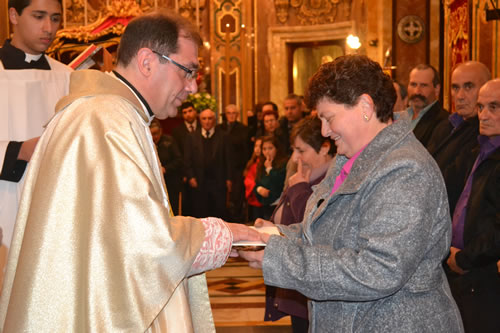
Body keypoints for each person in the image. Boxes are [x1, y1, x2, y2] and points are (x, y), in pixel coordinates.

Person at [0, 12, 259, 332]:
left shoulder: (106, 112)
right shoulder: (109, 121)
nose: (192, 87)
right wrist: (223, 235)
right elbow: (143, 246)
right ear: (148, 61)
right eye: (188, 71)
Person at [240, 55, 464, 332]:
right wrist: (274, 235)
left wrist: (280, 258)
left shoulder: (405, 169)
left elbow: (378, 270)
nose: (324, 131)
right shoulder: (352, 157)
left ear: (365, 106)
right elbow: (328, 231)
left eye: (329, 118)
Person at [0, 0, 71, 288]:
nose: (49, 28)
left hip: (53, 205)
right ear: (14, 15)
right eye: (39, 16)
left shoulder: (67, 77)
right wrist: (20, 150)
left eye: (55, 18)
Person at [264, 117, 335, 333]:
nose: (295, 158)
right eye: (294, 150)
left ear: (324, 148)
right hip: (297, 283)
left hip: (311, 283)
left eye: (301, 150)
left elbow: (315, 226)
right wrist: (267, 227)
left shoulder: (330, 180)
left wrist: (298, 189)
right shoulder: (306, 175)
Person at [444, 79, 500, 333]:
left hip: (485, 275)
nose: (484, 115)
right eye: (481, 107)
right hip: (462, 274)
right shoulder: (477, 149)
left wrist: (465, 259)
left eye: (494, 107)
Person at [184, 108, 232, 219]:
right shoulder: (192, 137)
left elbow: (228, 159)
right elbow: (187, 159)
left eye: (210, 118)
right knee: (201, 212)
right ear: (200, 120)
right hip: (199, 182)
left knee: (219, 212)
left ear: (214, 120)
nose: (207, 121)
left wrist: (229, 179)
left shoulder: (224, 137)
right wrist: (191, 177)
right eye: (204, 118)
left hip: (218, 182)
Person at [217, 104, 250, 222]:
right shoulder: (219, 128)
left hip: (238, 167)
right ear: (225, 115)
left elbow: (247, 150)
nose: (231, 115)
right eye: (229, 113)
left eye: (234, 113)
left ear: (237, 115)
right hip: (221, 168)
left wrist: (246, 167)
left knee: (237, 196)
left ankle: (236, 220)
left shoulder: (244, 129)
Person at [406, 64, 449, 149]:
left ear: (437, 89)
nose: (417, 92)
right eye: (413, 84)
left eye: (423, 85)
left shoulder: (444, 122)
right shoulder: (401, 116)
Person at [171, 101, 200, 216]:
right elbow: (178, 154)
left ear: (195, 112)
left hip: (201, 170)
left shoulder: (203, 126)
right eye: (184, 112)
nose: (188, 114)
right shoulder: (177, 131)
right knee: (188, 205)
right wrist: (186, 173)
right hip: (185, 173)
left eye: (190, 111)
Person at [150, 119, 183, 215]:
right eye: (151, 134)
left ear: (161, 131)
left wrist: (166, 169)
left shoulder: (170, 141)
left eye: (156, 134)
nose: (154, 137)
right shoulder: (147, 142)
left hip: (171, 182)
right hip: (155, 184)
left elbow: (179, 160)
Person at [254, 135, 287, 220]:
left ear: (276, 148)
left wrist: (269, 169)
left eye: (270, 148)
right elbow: (257, 183)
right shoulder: (261, 164)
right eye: (264, 149)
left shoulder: (284, 163)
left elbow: (280, 182)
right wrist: (259, 189)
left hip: (279, 205)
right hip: (265, 205)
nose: (267, 152)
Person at [244, 137, 263, 222]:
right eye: (256, 146)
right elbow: (248, 178)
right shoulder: (252, 162)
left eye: (260, 147)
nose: (257, 149)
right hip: (252, 197)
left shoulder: (265, 164)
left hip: (261, 199)